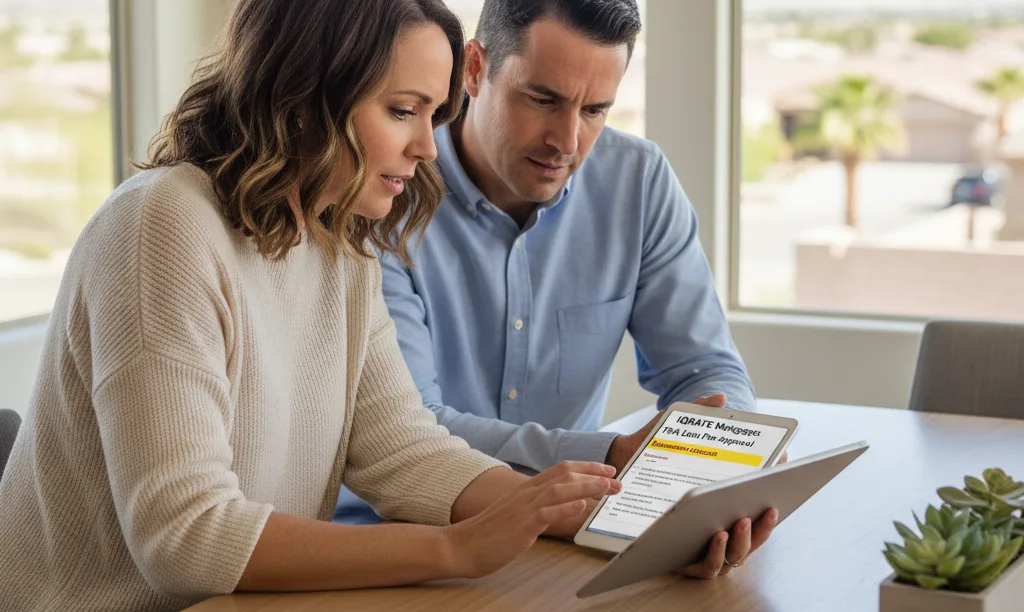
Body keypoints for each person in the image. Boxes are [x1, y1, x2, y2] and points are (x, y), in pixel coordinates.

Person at [0, 1, 625, 609]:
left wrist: (582, 516)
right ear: (305, 97)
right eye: (402, 110)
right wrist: (456, 550)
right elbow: (185, 537)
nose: (427, 148)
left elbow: (402, 450)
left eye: (431, 114)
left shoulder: (338, 243)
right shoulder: (160, 225)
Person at [334, 0, 780, 578]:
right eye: (543, 100)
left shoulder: (637, 182)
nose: (567, 141)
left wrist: (719, 475)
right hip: (392, 543)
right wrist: (608, 456)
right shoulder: (385, 188)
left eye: (595, 109)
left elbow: (704, 370)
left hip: (565, 541)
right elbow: (407, 428)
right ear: (473, 68)